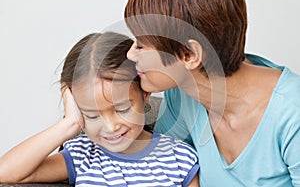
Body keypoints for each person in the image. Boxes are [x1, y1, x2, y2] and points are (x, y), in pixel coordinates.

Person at [124, 0, 300, 186]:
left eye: (140, 45)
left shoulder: (292, 114)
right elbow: (157, 170)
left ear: (189, 55)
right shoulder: (180, 96)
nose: (130, 55)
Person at [0, 32, 199, 186]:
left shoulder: (179, 157)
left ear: (144, 93)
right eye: (92, 115)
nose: (110, 127)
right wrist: (70, 123)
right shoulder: (83, 155)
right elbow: (6, 172)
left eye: (122, 109)